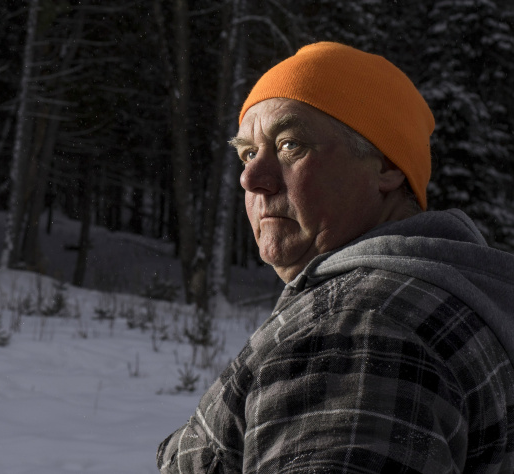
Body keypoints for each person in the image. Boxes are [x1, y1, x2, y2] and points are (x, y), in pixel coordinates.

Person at [157, 42, 514, 473]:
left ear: (385, 167)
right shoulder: (460, 299)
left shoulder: (356, 327)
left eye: (290, 145)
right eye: (248, 152)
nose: (251, 178)